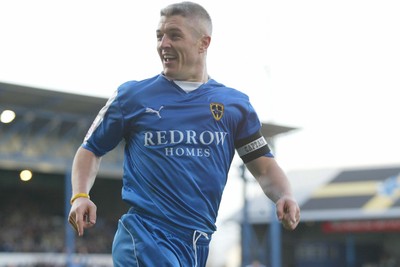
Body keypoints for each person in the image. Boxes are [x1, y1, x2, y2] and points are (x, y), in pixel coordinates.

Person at [68, 1, 300, 266]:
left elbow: (264, 167)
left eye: (174, 35)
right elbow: (90, 148)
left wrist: (285, 195)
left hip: (197, 243)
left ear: (204, 42)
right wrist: (80, 195)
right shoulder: (131, 97)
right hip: (146, 236)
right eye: (159, 36)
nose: (163, 44)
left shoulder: (235, 106)